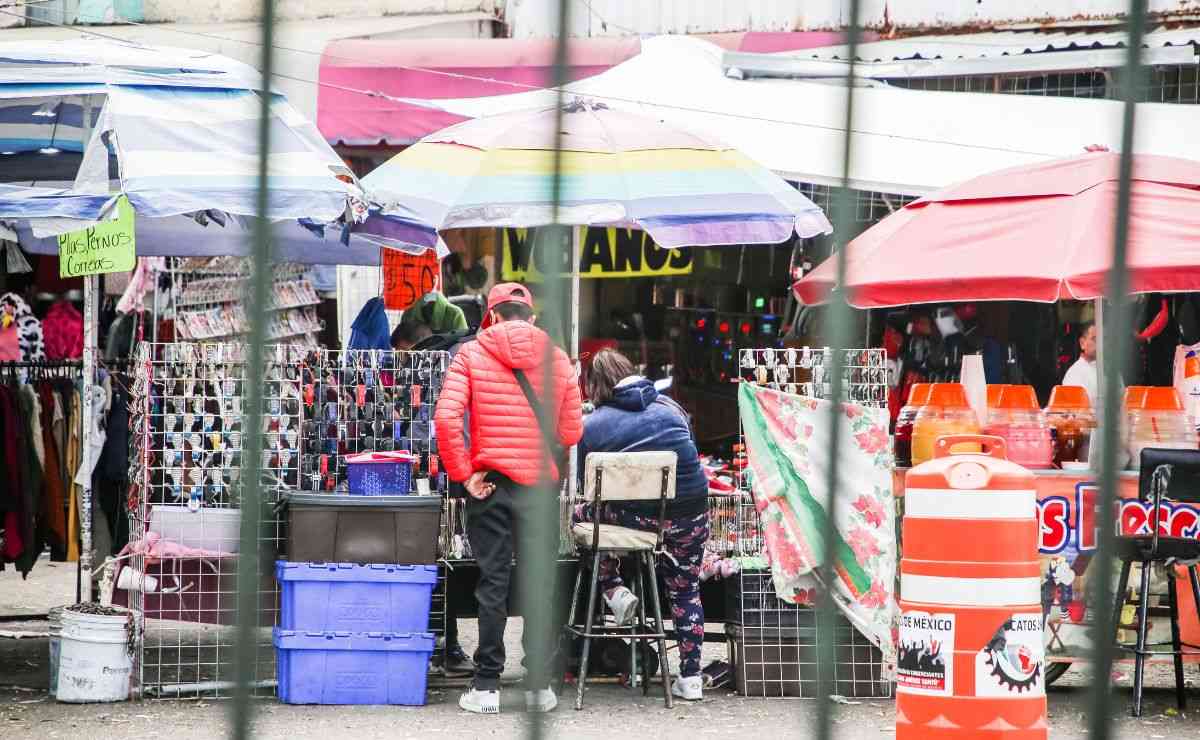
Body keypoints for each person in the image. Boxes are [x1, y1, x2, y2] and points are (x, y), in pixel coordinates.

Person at [434, 282, 583, 715]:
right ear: (531, 317)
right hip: (539, 486)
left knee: (492, 583)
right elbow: (572, 433)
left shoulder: (471, 354)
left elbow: (446, 419)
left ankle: (485, 686)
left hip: (491, 485)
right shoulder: (557, 360)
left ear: (492, 317)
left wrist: (465, 475)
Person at [573, 349, 710, 701]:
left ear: (595, 386)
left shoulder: (592, 425)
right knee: (685, 589)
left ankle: (615, 590)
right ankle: (691, 678)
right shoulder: (672, 408)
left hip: (638, 519)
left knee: (583, 516)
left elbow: (586, 488)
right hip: (690, 513)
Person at [1062, 322, 1098, 404]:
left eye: (1104, 339)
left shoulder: (1113, 371)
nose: (1100, 343)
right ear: (1082, 343)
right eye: (1094, 339)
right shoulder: (1074, 374)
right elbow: (1076, 413)